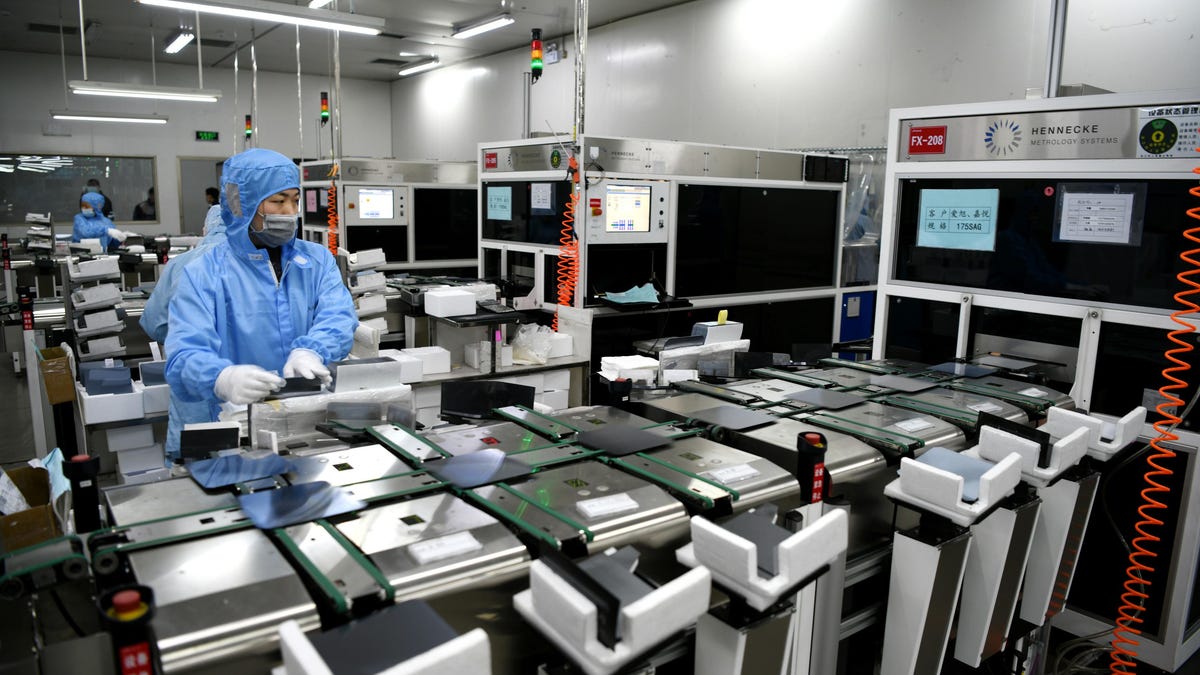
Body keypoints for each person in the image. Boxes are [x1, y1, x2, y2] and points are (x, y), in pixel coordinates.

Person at [164, 148, 357, 455]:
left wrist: (311, 350)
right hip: (233, 429)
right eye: (278, 201)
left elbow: (338, 316)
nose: (290, 211)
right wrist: (221, 377)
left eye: (294, 199)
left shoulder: (316, 260)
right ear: (242, 204)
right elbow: (183, 353)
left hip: (306, 423)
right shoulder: (204, 273)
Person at [139, 203, 228, 462]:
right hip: (246, 391)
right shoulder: (260, 261)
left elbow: (154, 324)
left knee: (193, 479)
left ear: (206, 228)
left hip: (194, 391)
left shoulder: (181, 265)